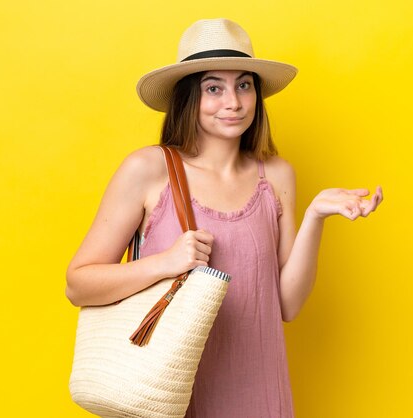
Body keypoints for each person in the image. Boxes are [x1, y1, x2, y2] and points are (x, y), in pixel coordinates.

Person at [66, 18, 383, 418]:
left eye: (244, 85)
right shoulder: (148, 170)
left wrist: (316, 215)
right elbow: (79, 284)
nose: (233, 102)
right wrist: (165, 263)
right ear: (187, 98)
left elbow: (287, 304)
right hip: (168, 393)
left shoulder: (278, 175)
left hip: (259, 391)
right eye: (213, 88)